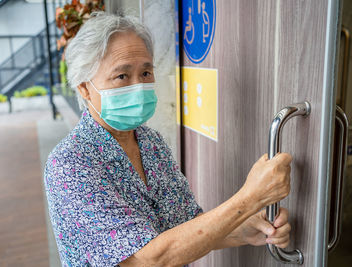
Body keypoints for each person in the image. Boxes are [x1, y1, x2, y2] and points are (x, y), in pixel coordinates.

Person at [44, 12, 292, 267]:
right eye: (122, 76)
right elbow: (147, 259)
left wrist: (244, 229)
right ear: (85, 88)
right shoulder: (70, 165)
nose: (139, 86)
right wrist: (249, 199)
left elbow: (185, 225)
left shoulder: (151, 142)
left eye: (146, 72)